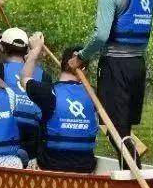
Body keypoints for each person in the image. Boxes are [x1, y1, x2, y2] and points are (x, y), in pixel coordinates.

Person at [68, 0, 153, 168]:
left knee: (110, 123)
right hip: (138, 64)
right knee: (123, 125)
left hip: (116, 65)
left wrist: (81, 57)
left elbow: (101, 34)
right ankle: (132, 158)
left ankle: (131, 170)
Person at [0, 0, 52, 160]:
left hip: (7, 130)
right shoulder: (43, 75)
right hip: (34, 134)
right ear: (26, 50)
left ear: (1, 48)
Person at [21, 33, 97, 173]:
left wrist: (35, 51)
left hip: (51, 164)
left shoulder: (47, 91)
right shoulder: (95, 95)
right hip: (85, 165)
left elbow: (25, 78)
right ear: (84, 69)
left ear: (61, 65)